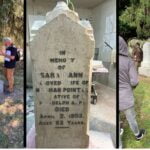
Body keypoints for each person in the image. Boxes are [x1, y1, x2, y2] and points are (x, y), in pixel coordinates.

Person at [119, 36, 145, 148]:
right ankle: (138, 135)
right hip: (125, 96)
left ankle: (119, 129)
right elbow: (134, 82)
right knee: (131, 118)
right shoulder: (128, 61)